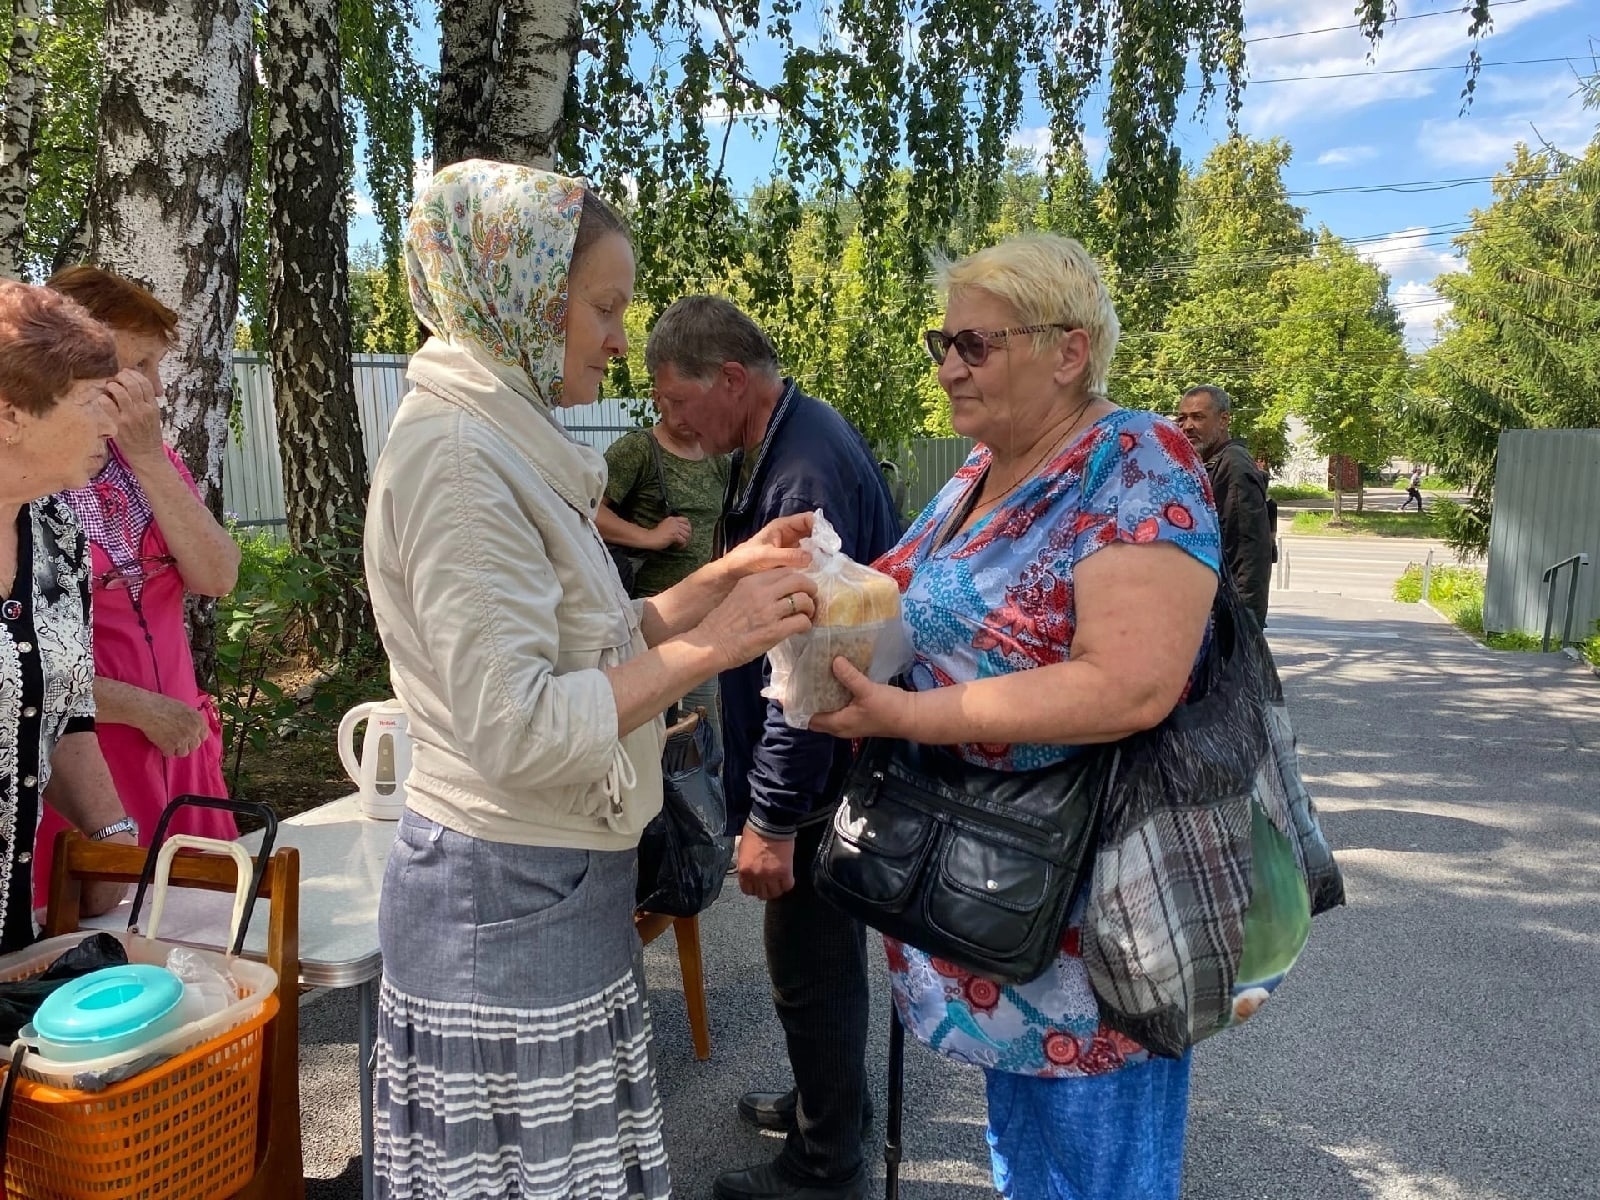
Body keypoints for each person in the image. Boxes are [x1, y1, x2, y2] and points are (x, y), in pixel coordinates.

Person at [363, 161, 820, 1199]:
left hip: (542, 883)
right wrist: (718, 645)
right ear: (521, 294)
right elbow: (518, 725)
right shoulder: (464, 462)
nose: (622, 339)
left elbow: (589, 643)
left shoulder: (500, 433)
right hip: (506, 894)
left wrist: (718, 582)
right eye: (606, 307)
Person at [808, 234, 1221, 1200]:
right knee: (1026, 1167)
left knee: (1095, 1176)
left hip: (1090, 910)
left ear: (1068, 351)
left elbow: (1129, 685)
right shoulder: (978, 471)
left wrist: (908, 717)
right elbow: (905, 599)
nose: (948, 366)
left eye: (974, 346)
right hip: (996, 893)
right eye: (940, 343)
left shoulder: (1133, 459)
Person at [647, 295, 901, 1200]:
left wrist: (773, 820)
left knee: (810, 969)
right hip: (828, 767)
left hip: (818, 776)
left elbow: (811, 673)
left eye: (676, 401)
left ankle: (824, 1164)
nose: (666, 421)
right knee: (820, 962)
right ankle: (830, 1108)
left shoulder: (800, 474)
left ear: (731, 380)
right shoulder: (793, 440)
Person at [34, 266, 240, 908]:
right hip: (86, 765)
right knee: (96, 958)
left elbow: (217, 575)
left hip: (176, 750)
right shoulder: (30, 473)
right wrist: (144, 710)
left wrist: (150, 458)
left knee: (208, 942)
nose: (155, 386)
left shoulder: (147, 454)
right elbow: (20, 654)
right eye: (139, 364)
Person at [0, 282, 148, 951]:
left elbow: (59, 703)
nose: (111, 423)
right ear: (10, 416)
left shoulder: (56, 525)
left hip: (15, 944)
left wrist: (111, 833)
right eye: (92, 401)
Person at [598, 394, 732, 729]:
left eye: (696, 400)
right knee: (649, 732)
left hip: (701, 624)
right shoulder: (638, 450)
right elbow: (586, 510)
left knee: (701, 733)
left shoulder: (717, 459)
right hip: (646, 624)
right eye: (677, 400)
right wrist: (649, 536)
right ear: (658, 398)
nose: (688, 412)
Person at [1176, 383, 1271, 626]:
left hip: (1227, 616)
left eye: (1198, 417)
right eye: (1182, 418)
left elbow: (1248, 550)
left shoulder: (1233, 465)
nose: (1187, 426)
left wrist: (1245, 624)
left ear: (1223, 420)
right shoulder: (1207, 463)